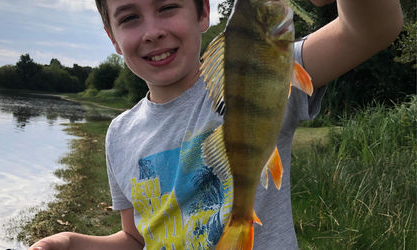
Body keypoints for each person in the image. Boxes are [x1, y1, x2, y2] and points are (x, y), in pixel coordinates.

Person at [29, 0, 402, 249]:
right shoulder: (119, 135)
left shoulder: (269, 69)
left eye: (167, 6)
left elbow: (370, 29)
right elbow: (135, 238)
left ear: (203, 13)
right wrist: (74, 243)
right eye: (129, 18)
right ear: (112, 38)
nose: (153, 30)